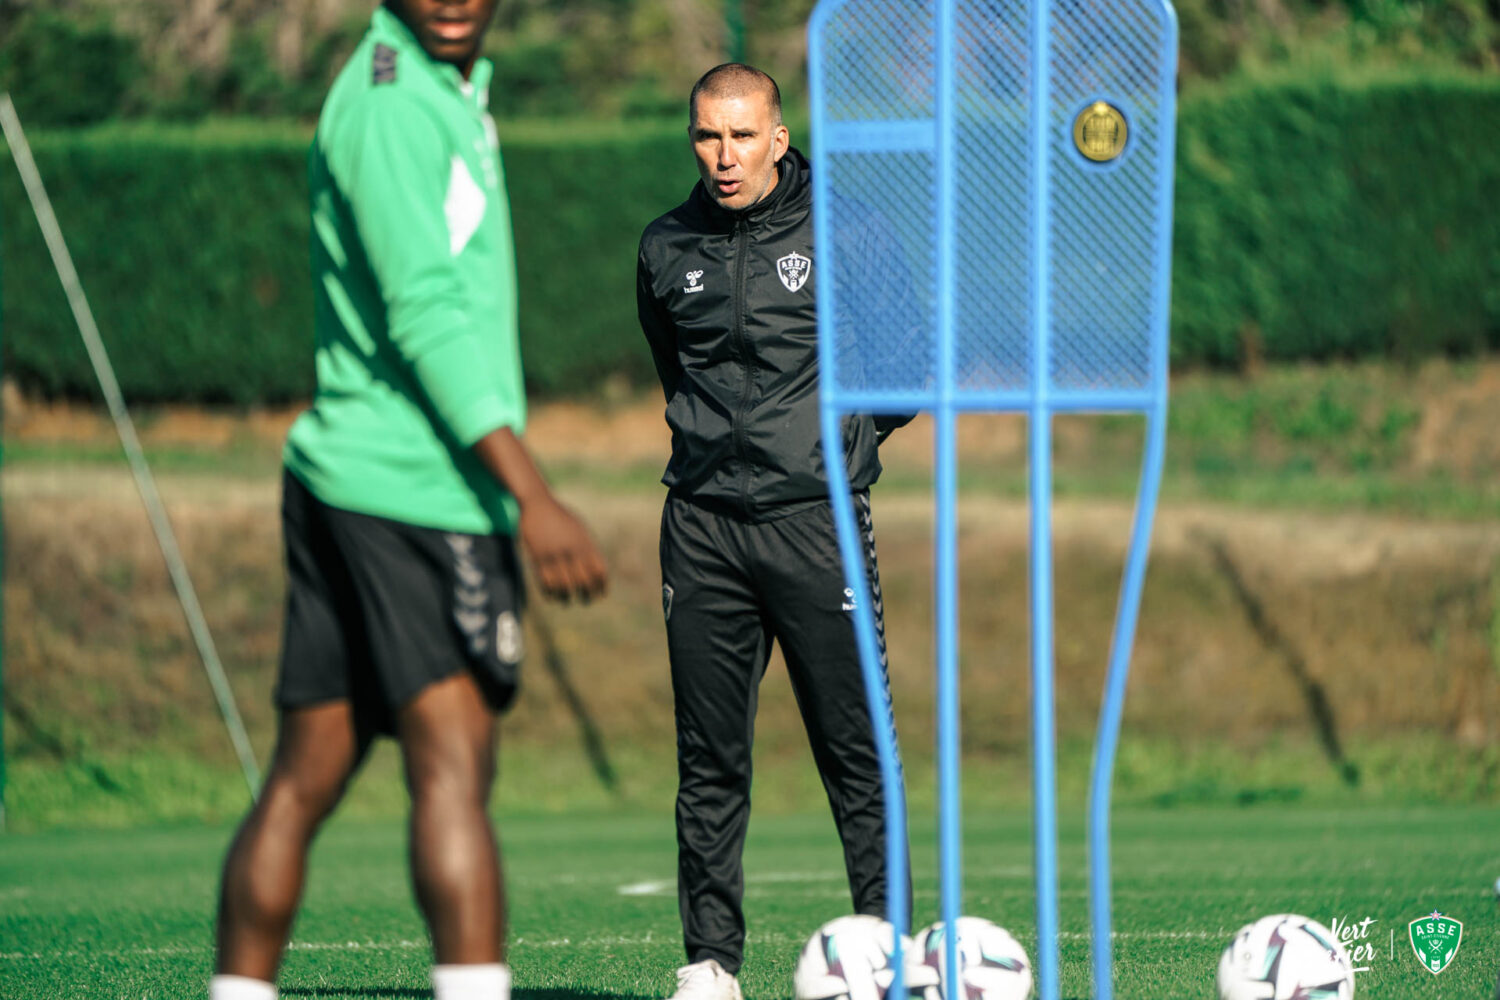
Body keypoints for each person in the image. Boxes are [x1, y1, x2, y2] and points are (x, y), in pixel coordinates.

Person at [210, 3, 608, 1000]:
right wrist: (533, 494)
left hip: (353, 479)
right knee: (452, 764)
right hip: (413, 489)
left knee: (309, 773)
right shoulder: (392, 104)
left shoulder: (442, 88)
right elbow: (422, 308)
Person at [636, 63, 912, 1000]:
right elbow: (674, 366)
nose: (724, 156)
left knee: (856, 748)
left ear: (779, 137)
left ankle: (887, 950)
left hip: (816, 523)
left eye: (742, 135)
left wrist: (833, 447)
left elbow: (905, 370)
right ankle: (710, 965)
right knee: (709, 757)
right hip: (702, 530)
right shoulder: (664, 247)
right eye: (708, 137)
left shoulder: (849, 230)